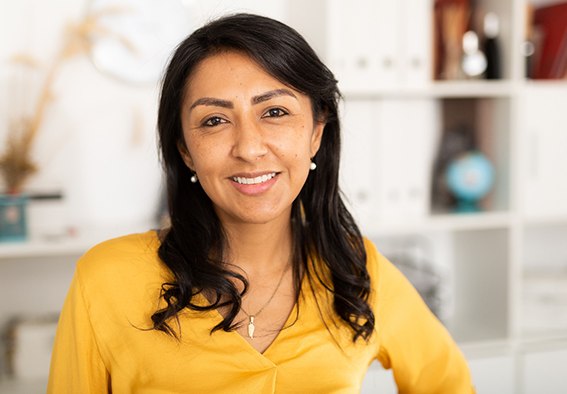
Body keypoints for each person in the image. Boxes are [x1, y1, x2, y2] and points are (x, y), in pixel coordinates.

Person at [48, 13, 474, 393]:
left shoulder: (356, 268)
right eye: (214, 120)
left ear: (316, 133)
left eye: (274, 112)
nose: (250, 148)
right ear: (185, 149)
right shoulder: (105, 280)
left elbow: (448, 382)